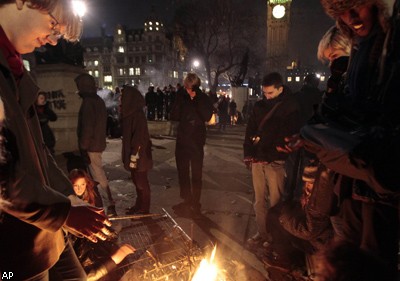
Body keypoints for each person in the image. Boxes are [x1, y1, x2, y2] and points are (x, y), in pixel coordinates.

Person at [284, 0, 399, 278]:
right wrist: (311, 135)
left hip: (377, 188)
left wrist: (329, 139)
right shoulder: (362, 46)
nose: (351, 18)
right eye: (341, 13)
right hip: (350, 186)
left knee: (369, 266)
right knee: (344, 261)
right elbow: (348, 109)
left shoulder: (389, 47)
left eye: (356, 7)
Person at [0, 1, 112, 280]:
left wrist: (70, 199)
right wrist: (64, 213)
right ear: (22, 2)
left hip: (46, 232)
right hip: (12, 253)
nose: (51, 41)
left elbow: (38, 150)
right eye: (53, 25)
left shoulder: (15, 71)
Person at [243, 72, 302, 247]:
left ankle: (276, 237)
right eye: (264, 93)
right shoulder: (259, 106)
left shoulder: (290, 107)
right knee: (259, 201)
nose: (266, 97)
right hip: (258, 159)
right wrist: (248, 153)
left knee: (276, 202)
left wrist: (278, 150)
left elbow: (290, 134)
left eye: (270, 93)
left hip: (276, 161)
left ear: (280, 89)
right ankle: (262, 233)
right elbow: (250, 130)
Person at [68, 169, 135, 281]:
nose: (79, 189)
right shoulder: (70, 204)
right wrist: (116, 257)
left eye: (82, 184)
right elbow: (85, 276)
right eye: (75, 185)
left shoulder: (92, 196)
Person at [170, 73, 214, 217]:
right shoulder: (181, 96)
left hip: (196, 140)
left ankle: (195, 203)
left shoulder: (203, 98)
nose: (186, 88)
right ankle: (186, 199)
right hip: (182, 140)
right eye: (185, 86)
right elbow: (174, 115)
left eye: (189, 86)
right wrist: (181, 100)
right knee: (182, 173)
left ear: (195, 86)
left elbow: (207, 116)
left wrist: (195, 100)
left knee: (196, 174)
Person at [75, 73, 117, 217]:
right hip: (96, 143)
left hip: (91, 145)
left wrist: (83, 146)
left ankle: (108, 203)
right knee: (96, 174)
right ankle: (102, 201)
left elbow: (87, 127)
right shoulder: (97, 100)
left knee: (98, 175)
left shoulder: (88, 102)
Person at [120, 85, 153, 215]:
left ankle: (144, 208)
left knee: (141, 182)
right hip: (135, 156)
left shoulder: (137, 115)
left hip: (140, 156)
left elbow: (138, 139)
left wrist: (133, 159)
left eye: (123, 96)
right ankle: (139, 205)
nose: (121, 99)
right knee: (137, 181)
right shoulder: (130, 114)